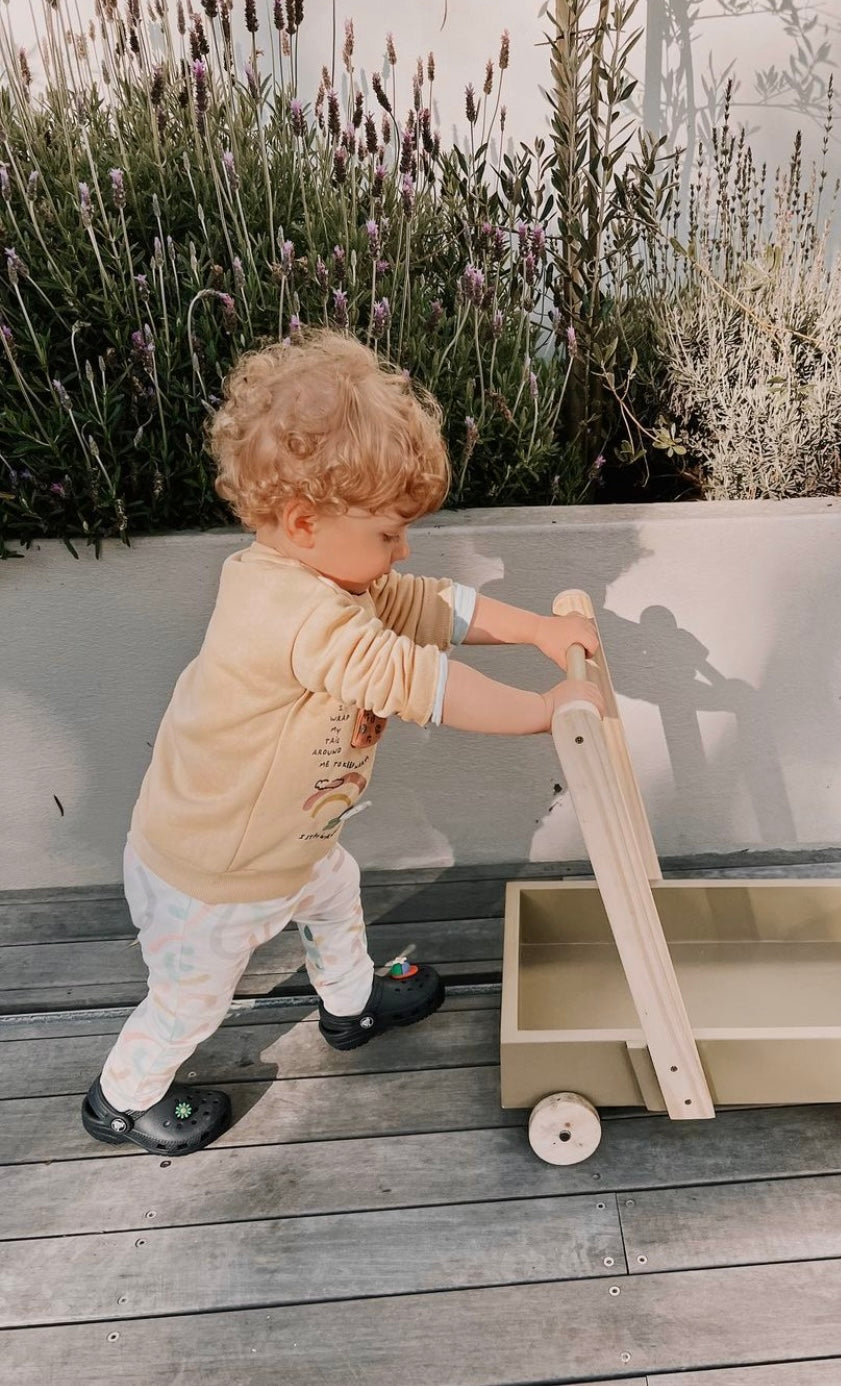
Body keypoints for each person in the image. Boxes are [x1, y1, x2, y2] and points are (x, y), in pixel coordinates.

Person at [81, 329, 602, 1157]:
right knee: (191, 999)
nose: (402, 552)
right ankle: (122, 1098)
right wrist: (546, 712)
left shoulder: (334, 575)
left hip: (292, 843)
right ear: (302, 521)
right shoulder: (289, 613)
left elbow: (432, 607)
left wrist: (538, 629)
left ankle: (350, 1003)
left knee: (334, 894)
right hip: (211, 873)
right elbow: (417, 679)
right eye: (389, 534)